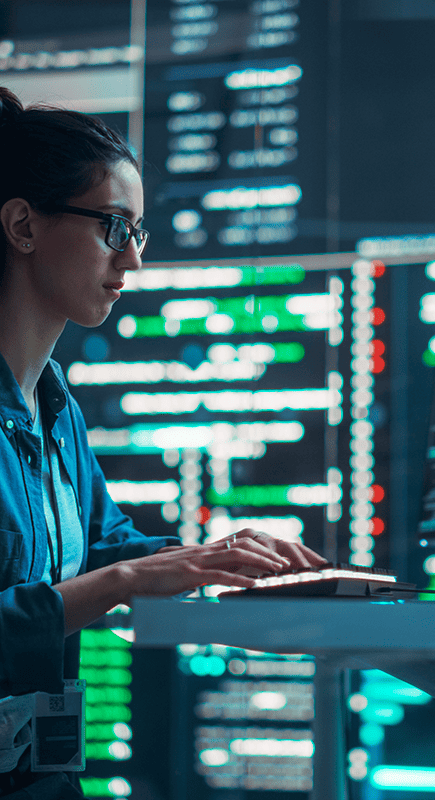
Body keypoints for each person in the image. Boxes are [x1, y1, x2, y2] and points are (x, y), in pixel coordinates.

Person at [0, 86, 326, 798]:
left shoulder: (53, 403)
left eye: (138, 233)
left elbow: (104, 545)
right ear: (23, 225)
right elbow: (105, 576)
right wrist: (122, 583)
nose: (135, 260)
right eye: (115, 228)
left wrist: (214, 558)